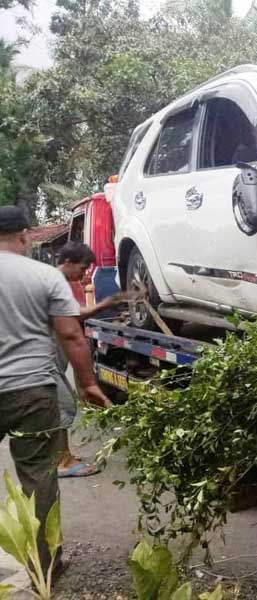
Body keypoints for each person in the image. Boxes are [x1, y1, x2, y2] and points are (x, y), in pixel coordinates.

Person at [0, 206, 111, 575]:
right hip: (31, 388)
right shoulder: (44, 275)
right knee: (37, 475)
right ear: (25, 235)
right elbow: (69, 333)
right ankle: (45, 564)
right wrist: (88, 383)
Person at [54, 241, 131, 477]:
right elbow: (75, 317)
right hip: (44, 363)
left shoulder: (57, 281)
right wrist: (109, 303)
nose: (85, 273)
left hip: (49, 360)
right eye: (83, 267)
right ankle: (62, 463)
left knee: (59, 407)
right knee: (63, 407)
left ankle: (61, 456)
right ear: (68, 262)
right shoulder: (53, 282)